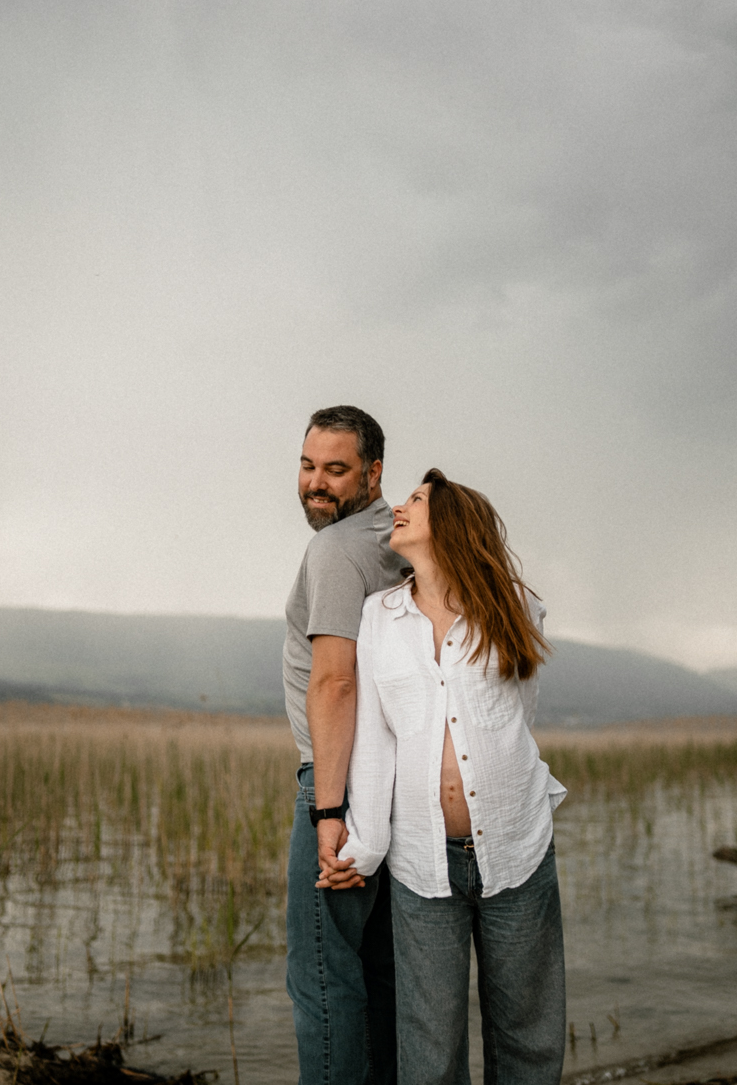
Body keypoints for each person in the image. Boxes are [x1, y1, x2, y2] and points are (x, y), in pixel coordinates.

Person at [319, 469, 567, 1085]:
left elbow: (518, 718)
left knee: (527, 1037)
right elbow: (375, 739)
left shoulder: (513, 604)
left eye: (416, 500)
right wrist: (365, 846)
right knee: (430, 1049)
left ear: (451, 522)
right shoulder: (379, 617)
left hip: (516, 848)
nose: (399, 508)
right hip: (422, 863)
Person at [283, 405, 409, 1085]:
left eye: (335, 469)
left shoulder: (335, 549)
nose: (315, 484)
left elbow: (334, 682)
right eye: (307, 466)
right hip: (397, 784)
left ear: (373, 472)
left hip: (339, 783)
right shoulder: (403, 540)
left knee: (323, 977)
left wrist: (327, 810)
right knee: (382, 973)